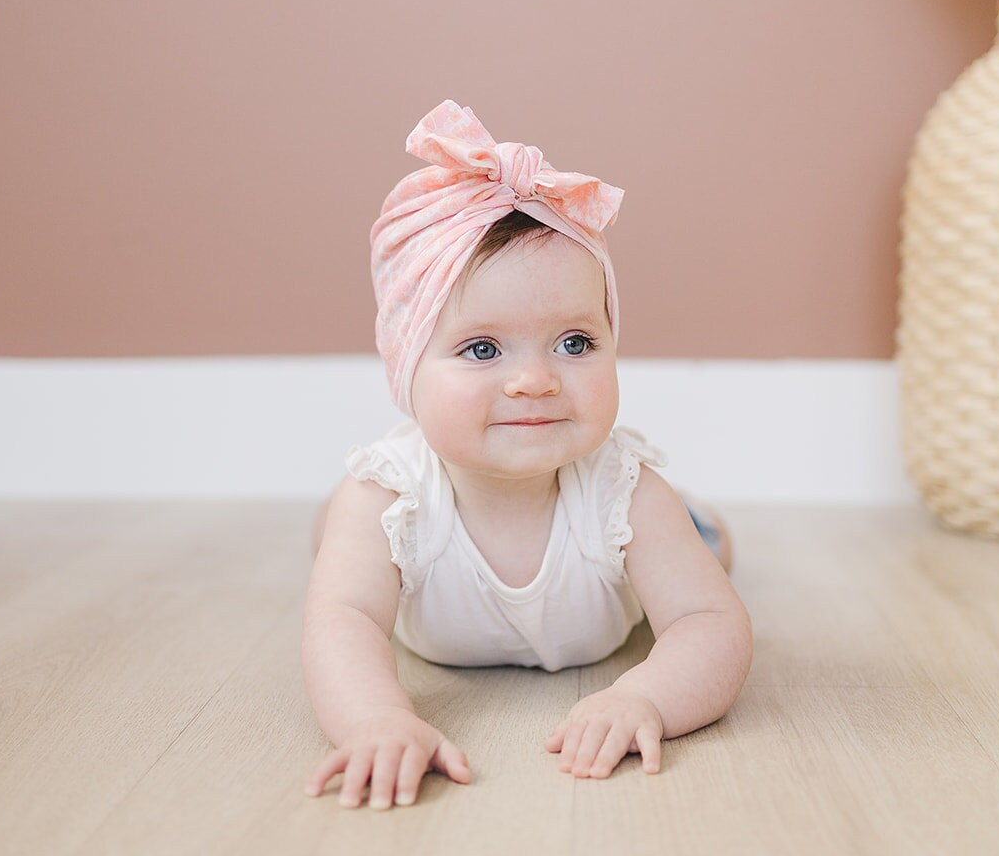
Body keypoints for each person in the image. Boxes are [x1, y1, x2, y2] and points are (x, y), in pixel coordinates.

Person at [302, 101, 752, 810]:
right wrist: (377, 719)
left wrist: (644, 698)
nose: (534, 380)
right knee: (341, 541)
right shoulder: (389, 497)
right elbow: (342, 624)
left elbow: (711, 626)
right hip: (391, 524)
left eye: (575, 343)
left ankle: (702, 527)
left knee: (703, 554)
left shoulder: (627, 491)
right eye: (481, 350)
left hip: (623, 555)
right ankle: (326, 528)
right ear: (406, 371)